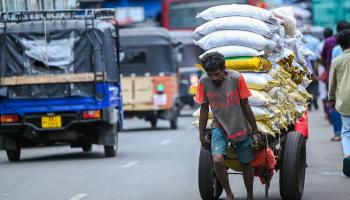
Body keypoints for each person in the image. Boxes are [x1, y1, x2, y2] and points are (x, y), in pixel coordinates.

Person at [196, 52, 259, 200]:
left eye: (216, 74)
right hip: (219, 126)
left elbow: (246, 105)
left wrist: (255, 131)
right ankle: (229, 193)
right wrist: (201, 136)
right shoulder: (203, 81)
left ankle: (250, 195)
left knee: (246, 164)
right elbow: (204, 109)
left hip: (240, 126)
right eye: (210, 74)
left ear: (223, 69)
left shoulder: (236, 78)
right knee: (217, 160)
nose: (214, 78)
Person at [322, 21, 349, 142]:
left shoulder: (336, 51)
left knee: (338, 111)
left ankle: (338, 133)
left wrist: (331, 97)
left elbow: (328, 63)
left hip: (341, 87)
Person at [328, 29, 350, 176]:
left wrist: (331, 98)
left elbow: (332, 83)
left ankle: (348, 158)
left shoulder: (337, 61)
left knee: (347, 132)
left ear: (340, 46)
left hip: (345, 101)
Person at [303, 25, 321, 110]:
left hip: (304, 63)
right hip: (314, 62)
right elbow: (317, 55)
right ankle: (315, 100)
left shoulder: (301, 40)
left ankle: (309, 103)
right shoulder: (316, 40)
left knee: (306, 83)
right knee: (315, 82)